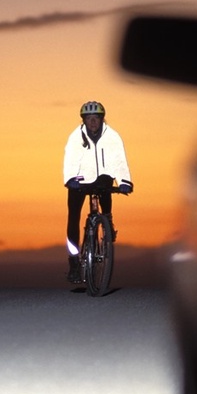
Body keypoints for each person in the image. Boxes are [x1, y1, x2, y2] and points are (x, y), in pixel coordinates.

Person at [63, 100, 133, 283]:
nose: (93, 122)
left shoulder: (113, 137)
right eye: (89, 119)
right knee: (73, 217)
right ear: (83, 121)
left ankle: (107, 220)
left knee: (106, 186)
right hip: (80, 180)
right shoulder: (75, 137)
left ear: (102, 119)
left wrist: (125, 181)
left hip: (102, 177)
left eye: (96, 118)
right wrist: (70, 178)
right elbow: (70, 159)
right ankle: (74, 264)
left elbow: (120, 160)